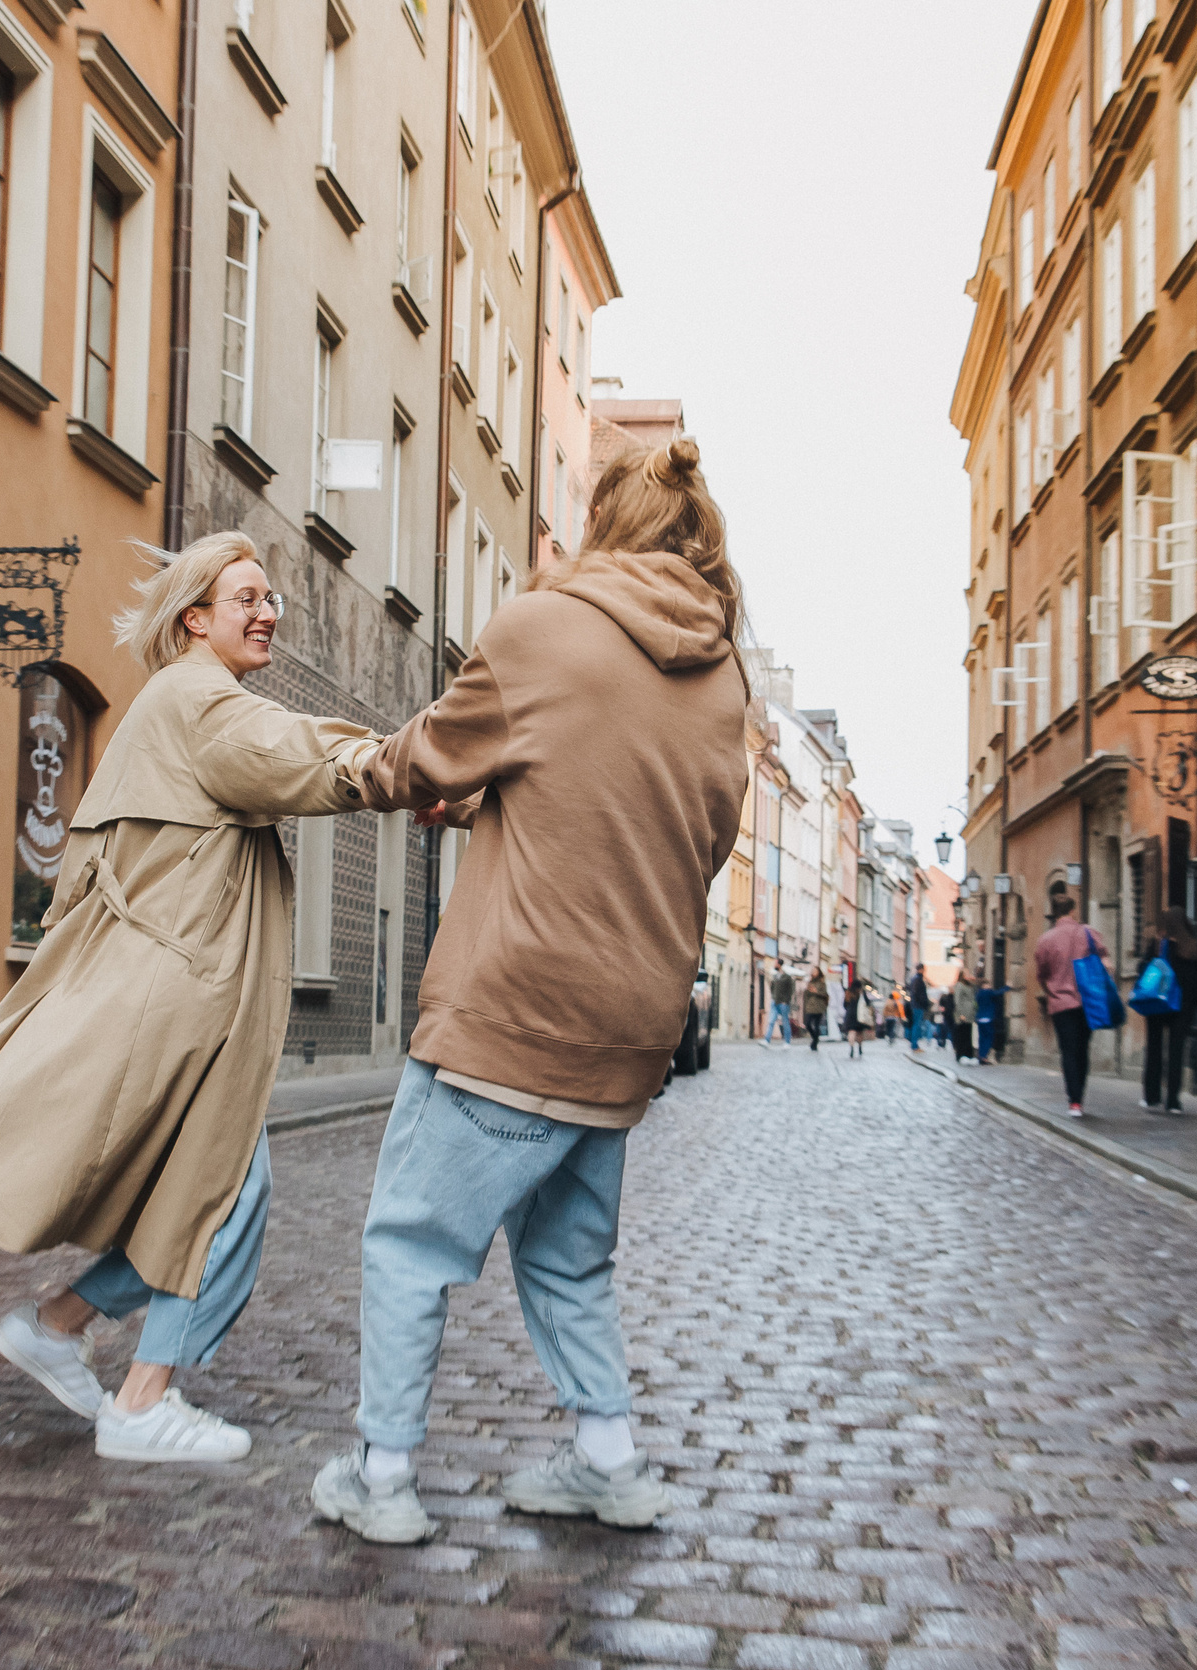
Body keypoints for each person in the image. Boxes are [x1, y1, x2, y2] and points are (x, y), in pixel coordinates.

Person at [0, 533, 382, 1465]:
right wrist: (398, 762)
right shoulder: (201, 700)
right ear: (194, 619)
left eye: (271, 599)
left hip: (167, 991)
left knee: (196, 1194)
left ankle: (58, 1325)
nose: (268, 613)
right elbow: (293, 754)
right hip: (182, 998)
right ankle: (140, 1401)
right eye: (246, 598)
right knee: (219, 1193)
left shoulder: (172, 700)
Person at [308, 435, 750, 1546]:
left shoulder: (541, 627)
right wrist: (492, 801)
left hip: (513, 1009)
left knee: (410, 1241)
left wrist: (347, 770)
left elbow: (423, 757)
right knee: (566, 1255)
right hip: (629, 1027)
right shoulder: (722, 676)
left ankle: (382, 1476)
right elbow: (678, 831)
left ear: (603, 521)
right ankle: (610, 1462)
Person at [1031, 895, 1107, 1117]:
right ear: (1073, 910)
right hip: (1087, 1000)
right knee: (1082, 1048)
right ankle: (1079, 1094)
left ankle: (1074, 1101)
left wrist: (1050, 991)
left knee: (1068, 1050)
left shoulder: (1045, 940)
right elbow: (1105, 961)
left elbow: (1041, 974)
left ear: (1054, 912)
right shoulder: (1089, 933)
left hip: (1061, 1003)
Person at [1141, 908, 1197, 1115]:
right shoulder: (1194, 948)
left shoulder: (1159, 946)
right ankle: (1173, 1101)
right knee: (1177, 1052)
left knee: (1154, 1049)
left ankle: (1151, 1096)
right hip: (1183, 1006)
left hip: (1157, 1004)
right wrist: (1194, 1005)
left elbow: (1143, 970)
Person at [949, 968, 976, 1064]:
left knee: (968, 1034)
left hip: (970, 1013)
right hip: (963, 1013)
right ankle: (961, 1055)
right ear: (962, 975)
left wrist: (973, 981)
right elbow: (957, 1000)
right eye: (966, 973)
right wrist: (961, 1014)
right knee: (962, 1035)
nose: (968, 975)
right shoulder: (959, 985)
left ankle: (969, 1055)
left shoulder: (969, 984)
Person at [800, 965, 830, 1051]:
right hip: (810, 1006)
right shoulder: (810, 982)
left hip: (819, 1007)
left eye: (815, 971)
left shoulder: (822, 983)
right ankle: (815, 1039)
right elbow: (806, 995)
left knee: (817, 1025)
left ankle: (815, 1043)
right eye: (813, 971)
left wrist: (816, 991)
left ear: (819, 972)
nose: (813, 972)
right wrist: (807, 991)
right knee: (808, 1024)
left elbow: (825, 994)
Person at [766, 967, 796, 1043]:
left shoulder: (787, 978)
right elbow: (772, 988)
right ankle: (767, 1040)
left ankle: (787, 1041)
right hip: (775, 1002)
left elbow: (791, 990)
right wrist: (773, 997)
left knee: (785, 1022)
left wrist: (786, 1000)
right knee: (771, 1021)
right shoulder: (775, 977)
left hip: (783, 1003)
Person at [905, 969, 930, 1050]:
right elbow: (918, 994)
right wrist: (924, 1003)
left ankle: (914, 1044)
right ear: (921, 970)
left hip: (916, 1005)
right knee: (917, 1025)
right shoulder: (917, 979)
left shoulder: (915, 979)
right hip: (918, 1006)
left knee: (916, 1025)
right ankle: (914, 1045)